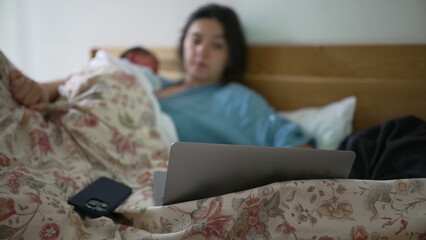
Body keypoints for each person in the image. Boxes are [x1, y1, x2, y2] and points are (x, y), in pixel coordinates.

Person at [156, 3, 315, 148]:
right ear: (183, 44)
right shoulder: (153, 84)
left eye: (216, 45)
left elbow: (290, 142)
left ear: (230, 57)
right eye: (196, 41)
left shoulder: (240, 101)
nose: (201, 52)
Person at [8, 46, 160, 111]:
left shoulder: (158, 87)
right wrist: (45, 89)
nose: (154, 73)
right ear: (133, 56)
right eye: (153, 65)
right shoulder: (108, 65)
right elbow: (83, 76)